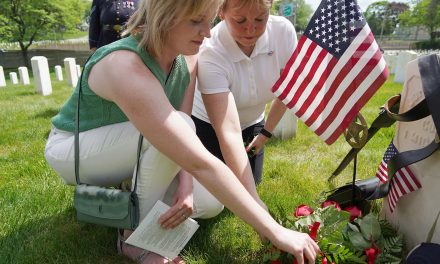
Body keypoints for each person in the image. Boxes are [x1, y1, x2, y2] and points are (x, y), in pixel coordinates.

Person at [44, 0, 319, 263]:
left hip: (129, 145)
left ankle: (131, 193)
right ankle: (131, 239)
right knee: (181, 129)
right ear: (165, 16)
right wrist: (274, 230)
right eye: (197, 21)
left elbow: (185, 133)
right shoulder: (124, 65)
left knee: (210, 203)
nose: (208, 32)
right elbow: (195, 153)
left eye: (209, 20)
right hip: (74, 151)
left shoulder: (187, 58)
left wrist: (186, 187)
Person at [192, 0, 296, 185]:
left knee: (250, 183)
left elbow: (288, 89)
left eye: (259, 19)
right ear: (221, 13)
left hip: (252, 122)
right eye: (240, 21)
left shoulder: (283, 32)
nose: (250, 29)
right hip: (209, 124)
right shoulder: (210, 50)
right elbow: (227, 129)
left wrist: (265, 133)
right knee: (218, 190)